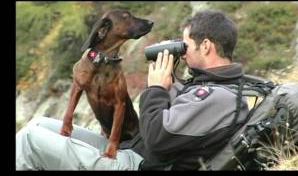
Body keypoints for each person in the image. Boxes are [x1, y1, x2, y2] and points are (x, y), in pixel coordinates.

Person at [16, 11, 249, 170]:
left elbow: (157, 138)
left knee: (30, 140)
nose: (183, 50)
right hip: (132, 148)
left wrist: (156, 88)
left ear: (206, 46)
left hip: (136, 163)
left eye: (185, 44)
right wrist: (169, 81)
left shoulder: (218, 96)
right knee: (38, 124)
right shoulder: (208, 85)